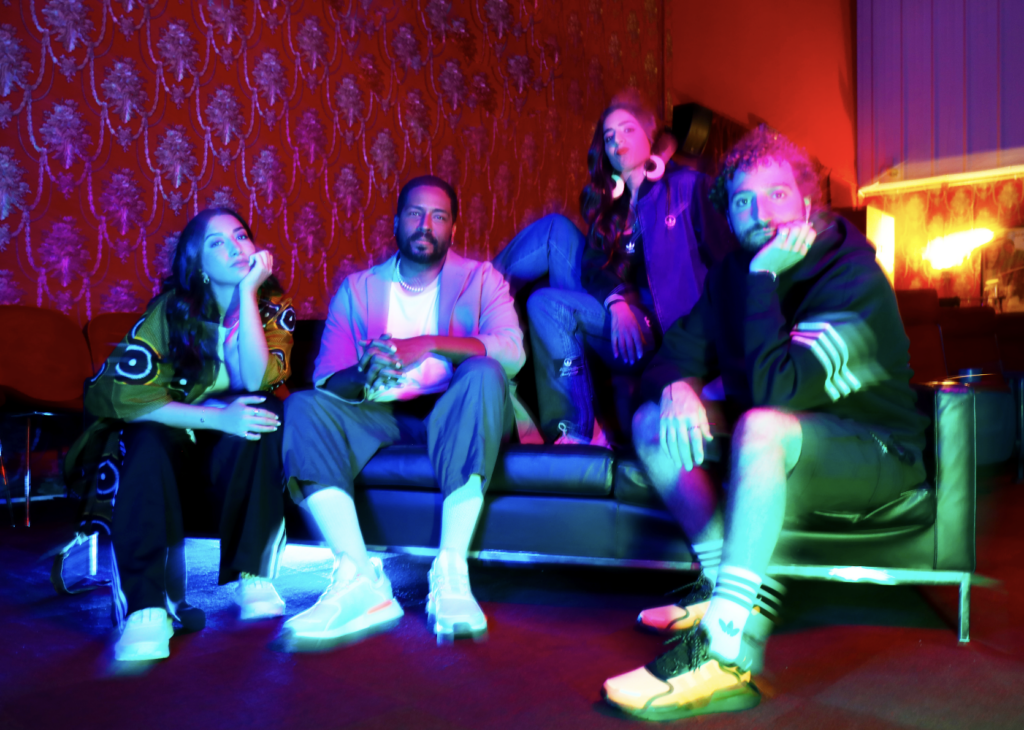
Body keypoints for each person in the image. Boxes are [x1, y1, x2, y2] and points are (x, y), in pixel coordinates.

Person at [601, 126, 928, 720]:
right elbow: (669, 358)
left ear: (807, 200)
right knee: (653, 421)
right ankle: (718, 582)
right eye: (743, 201)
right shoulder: (733, 274)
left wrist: (764, 278)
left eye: (777, 194)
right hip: (787, 438)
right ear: (727, 214)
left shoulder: (849, 276)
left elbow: (782, 394)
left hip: (876, 450)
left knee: (762, 425)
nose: (762, 213)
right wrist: (677, 388)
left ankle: (725, 654)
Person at [281, 175, 524, 646]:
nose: (426, 224)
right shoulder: (359, 289)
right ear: (396, 223)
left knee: (484, 371)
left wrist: (429, 344)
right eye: (415, 213)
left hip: (459, 407)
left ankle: (451, 569)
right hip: (383, 413)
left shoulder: (481, 279)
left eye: (439, 216)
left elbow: (512, 352)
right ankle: (358, 578)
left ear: (453, 228)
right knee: (305, 407)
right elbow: (328, 379)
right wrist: (362, 370)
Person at [66, 208, 295, 662]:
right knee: (146, 435)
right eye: (217, 243)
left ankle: (252, 574)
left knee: (264, 410)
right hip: (171, 450)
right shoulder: (170, 312)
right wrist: (216, 418)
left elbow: (257, 378)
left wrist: (247, 294)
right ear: (198, 265)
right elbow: (125, 396)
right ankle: (147, 605)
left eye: (241, 236)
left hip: (229, 459)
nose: (234, 248)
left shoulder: (273, 307)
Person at [492, 90, 732, 445]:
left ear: (650, 137)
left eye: (628, 130)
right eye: (609, 137)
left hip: (664, 332)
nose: (617, 142)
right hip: (619, 313)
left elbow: (728, 265)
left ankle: (576, 433)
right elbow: (593, 268)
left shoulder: (687, 188)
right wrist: (617, 302)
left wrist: (716, 353)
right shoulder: (612, 207)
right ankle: (480, 298)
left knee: (545, 303)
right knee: (556, 229)